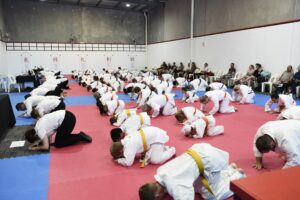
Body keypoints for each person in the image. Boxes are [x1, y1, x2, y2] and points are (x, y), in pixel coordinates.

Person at [139, 143, 246, 200]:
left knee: (211, 196)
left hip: (211, 161)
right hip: (199, 149)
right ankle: (229, 169)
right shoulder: (160, 171)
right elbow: (172, 184)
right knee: (197, 187)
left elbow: (181, 193)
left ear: (157, 196)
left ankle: (238, 176)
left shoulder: (176, 186)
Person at [24, 110, 92, 151]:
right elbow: (49, 140)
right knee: (58, 141)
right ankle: (79, 135)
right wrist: (39, 143)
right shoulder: (37, 126)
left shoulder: (39, 131)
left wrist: (35, 148)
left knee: (58, 144)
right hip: (67, 115)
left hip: (67, 120)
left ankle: (80, 137)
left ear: (35, 137)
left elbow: (46, 147)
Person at [110, 126, 176, 167]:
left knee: (155, 160)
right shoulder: (125, 140)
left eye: (120, 155)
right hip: (152, 134)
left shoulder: (128, 146)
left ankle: (171, 151)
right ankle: (163, 149)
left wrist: (118, 160)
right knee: (150, 157)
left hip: (156, 137)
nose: (122, 155)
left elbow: (128, 163)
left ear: (121, 151)